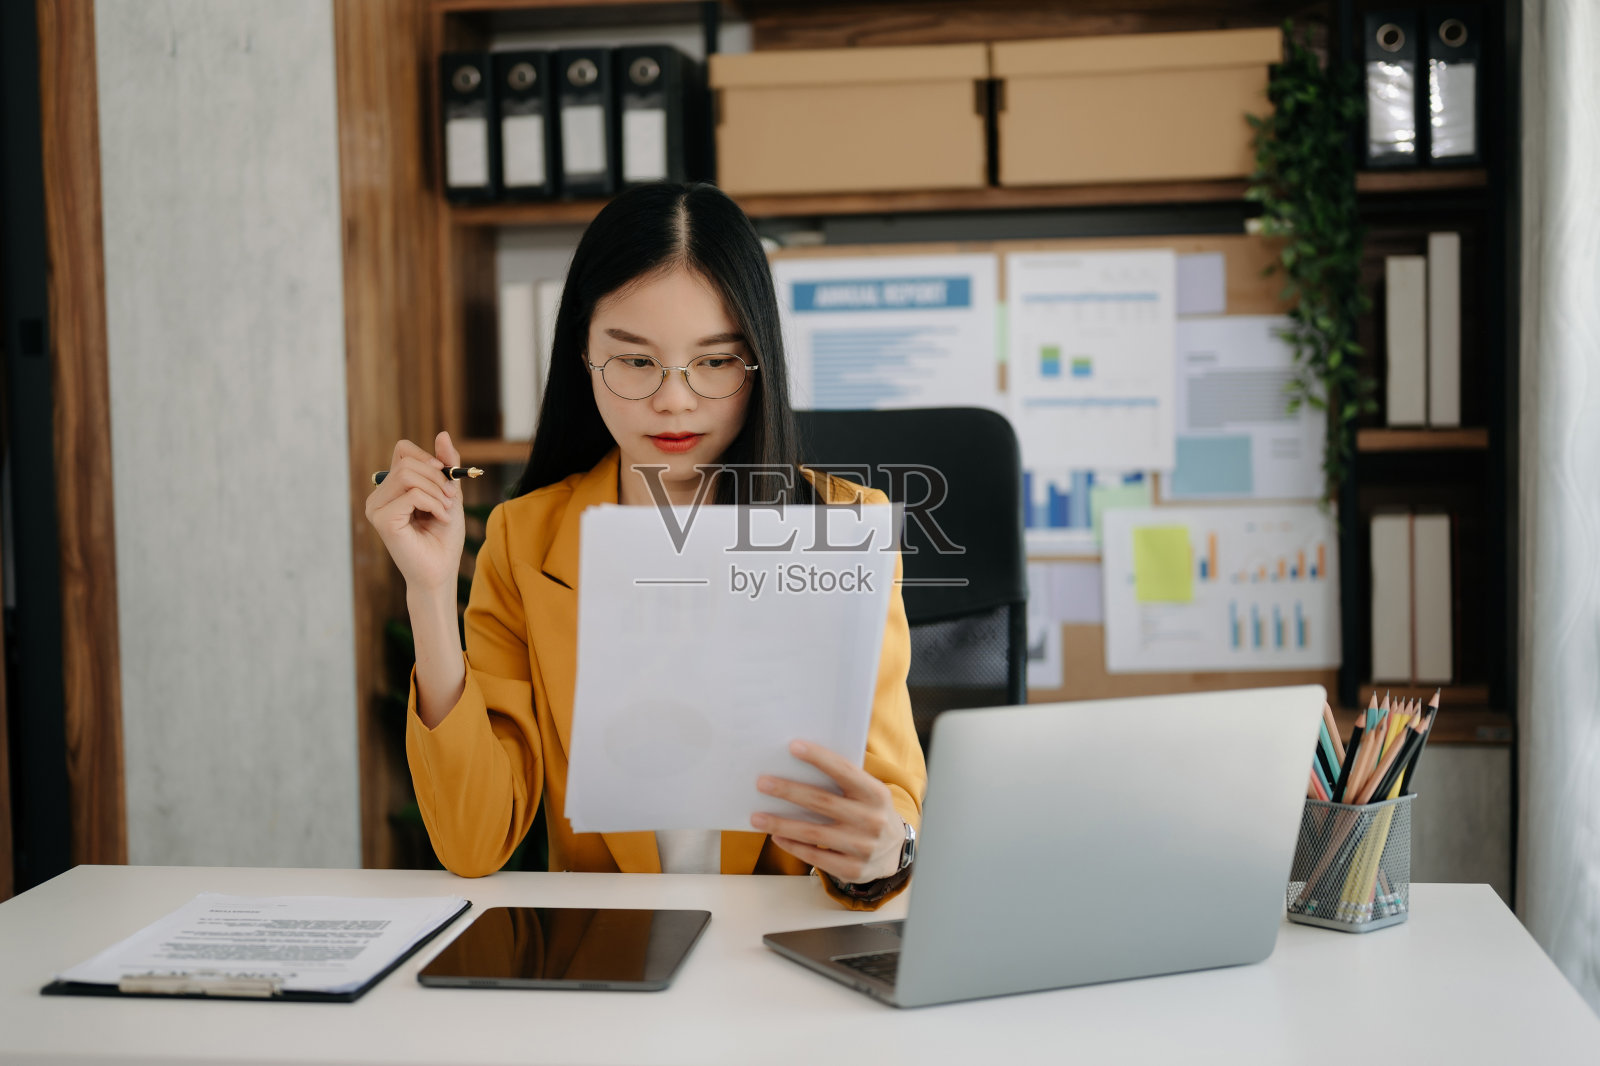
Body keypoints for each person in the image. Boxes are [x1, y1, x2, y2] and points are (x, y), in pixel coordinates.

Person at [365, 182, 926, 909]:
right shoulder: (525, 540)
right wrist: (430, 591)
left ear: (759, 360)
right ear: (584, 356)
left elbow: (888, 804)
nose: (674, 400)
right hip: (610, 948)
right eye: (635, 361)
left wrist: (884, 852)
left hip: (780, 942)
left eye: (716, 362)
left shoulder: (844, 527)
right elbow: (474, 841)